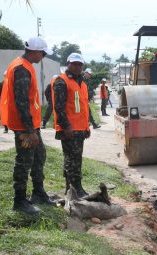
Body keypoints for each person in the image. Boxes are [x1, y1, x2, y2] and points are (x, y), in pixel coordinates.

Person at [0, 37, 55, 215]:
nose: (43, 56)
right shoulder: (22, 68)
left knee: (39, 156)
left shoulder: (24, 65)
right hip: (24, 126)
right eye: (43, 53)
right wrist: (30, 130)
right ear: (34, 51)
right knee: (24, 162)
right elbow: (21, 101)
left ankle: (38, 193)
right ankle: (20, 201)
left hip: (30, 124)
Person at [52, 52, 90, 198]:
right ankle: (74, 189)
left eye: (79, 64)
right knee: (71, 160)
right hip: (69, 129)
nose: (77, 67)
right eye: (74, 64)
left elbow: (84, 107)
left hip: (80, 129)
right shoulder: (61, 81)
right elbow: (59, 107)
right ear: (68, 64)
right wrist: (66, 127)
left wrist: (87, 127)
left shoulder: (82, 84)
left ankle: (74, 188)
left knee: (76, 159)